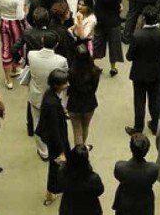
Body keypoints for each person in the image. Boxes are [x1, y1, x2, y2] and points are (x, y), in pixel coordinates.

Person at [125, 5, 160, 136]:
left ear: (144, 18)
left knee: (139, 101)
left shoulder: (137, 35)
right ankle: (155, 125)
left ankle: (138, 127)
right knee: (155, 100)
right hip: (157, 73)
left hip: (139, 73)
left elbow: (129, 56)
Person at [29, 33, 69, 160]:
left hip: (36, 95)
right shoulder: (61, 61)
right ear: (56, 44)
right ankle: (55, 148)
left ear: (42, 40)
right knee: (55, 124)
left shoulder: (31, 55)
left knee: (37, 122)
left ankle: (43, 151)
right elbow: (65, 75)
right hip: (55, 97)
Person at [35, 68, 71, 206]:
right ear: (57, 85)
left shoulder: (50, 94)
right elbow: (55, 129)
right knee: (55, 167)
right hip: (57, 140)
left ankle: (55, 189)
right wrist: (61, 151)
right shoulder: (52, 104)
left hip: (56, 138)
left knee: (57, 166)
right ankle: (50, 193)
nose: (67, 84)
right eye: (65, 83)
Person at [112, 133, 158, 215]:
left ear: (131, 148)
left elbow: (117, 176)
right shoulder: (153, 169)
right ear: (147, 151)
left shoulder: (120, 167)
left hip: (125, 204)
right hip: (144, 206)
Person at [67, 45, 101, 147]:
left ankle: (78, 150)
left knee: (77, 129)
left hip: (74, 103)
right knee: (85, 127)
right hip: (89, 103)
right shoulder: (95, 71)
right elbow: (94, 89)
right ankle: (82, 148)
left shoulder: (71, 72)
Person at [57, 144, 104, 215]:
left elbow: (60, 185)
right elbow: (100, 191)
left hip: (69, 208)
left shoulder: (62, 173)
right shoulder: (94, 178)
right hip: (90, 209)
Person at [93, 0, 124, 76]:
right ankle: (113, 68)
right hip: (113, 22)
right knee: (114, 46)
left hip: (100, 20)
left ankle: (91, 63)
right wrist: (120, 7)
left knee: (97, 43)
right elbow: (117, 8)